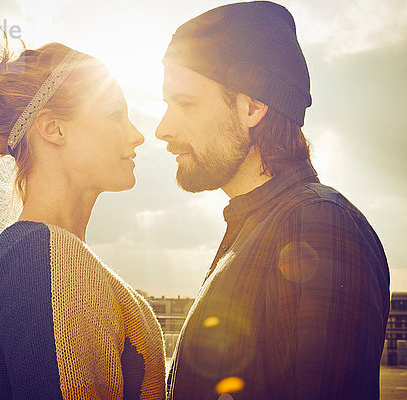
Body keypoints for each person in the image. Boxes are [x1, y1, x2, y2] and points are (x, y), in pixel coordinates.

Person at [156, 2, 390, 399]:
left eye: (186, 103)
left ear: (253, 106)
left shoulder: (317, 224)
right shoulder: (259, 223)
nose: (163, 128)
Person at [0, 42, 166, 399]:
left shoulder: (32, 254)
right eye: (116, 114)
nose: (138, 135)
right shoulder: (43, 260)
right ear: (54, 129)